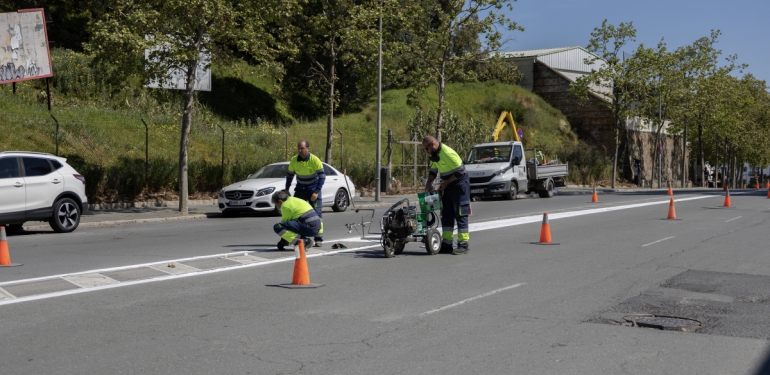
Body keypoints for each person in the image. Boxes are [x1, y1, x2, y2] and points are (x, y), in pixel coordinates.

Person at [422, 136, 471, 255]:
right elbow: (433, 170)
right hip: (448, 187)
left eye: (426, 149)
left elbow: (460, 172)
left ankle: (463, 244)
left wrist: (445, 183)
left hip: (460, 185)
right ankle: (447, 244)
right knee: (447, 214)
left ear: (433, 144)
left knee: (460, 213)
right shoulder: (435, 155)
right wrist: (429, 182)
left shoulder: (447, 153)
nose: (426, 151)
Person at [285, 140, 325, 247]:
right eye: (298, 148)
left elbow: (322, 177)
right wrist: (286, 189)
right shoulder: (294, 160)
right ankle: (299, 238)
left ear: (308, 148)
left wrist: (316, 192)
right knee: (296, 213)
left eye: (302, 148)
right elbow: (289, 176)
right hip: (300, 190)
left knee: (317, 214)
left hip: (313, 189)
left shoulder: (314, 160)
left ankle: (318, 238)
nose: (299, 150)